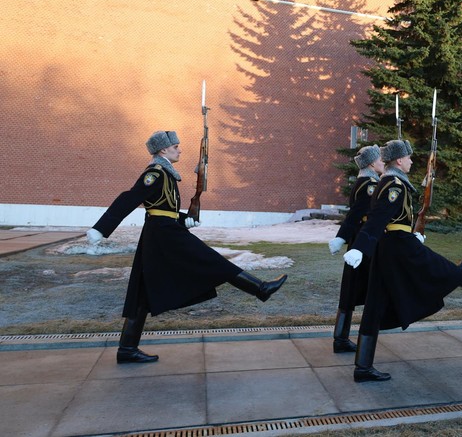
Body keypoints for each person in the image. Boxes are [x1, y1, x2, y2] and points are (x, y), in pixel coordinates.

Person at [86, 130, 288, 364]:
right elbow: (129, 198)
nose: (180, 150)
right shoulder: (155, 173)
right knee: (211, 260)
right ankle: (260, 288)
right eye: (175, 147)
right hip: (164, 235)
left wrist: (184, 219)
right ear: (163, 150)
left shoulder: (167, 174)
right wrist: (101, 228)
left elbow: (163, 209)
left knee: (141, 293)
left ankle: (127, 348)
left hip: (162, 231)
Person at [343, 139, 462, 382]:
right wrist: (360, 247)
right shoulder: (394, 185)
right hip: (399, 247)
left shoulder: (391, 182)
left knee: (375, 307)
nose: (411, 161)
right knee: (441, 269)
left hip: (389, 247)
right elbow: (377, 219)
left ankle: (363, 367)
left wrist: (413, 234)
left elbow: (392, 219)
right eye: (408, 158)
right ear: (399, 160)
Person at [327, 145, 385, 353]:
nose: (383, 162)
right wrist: (341, 237)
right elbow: (356, 215)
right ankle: (347, 341)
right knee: (363, 288)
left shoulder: (368, 182)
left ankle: (341, 338)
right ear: (371, 163)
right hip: (364, 244)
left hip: (361, 241)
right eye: (380, 159)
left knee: (352, 288)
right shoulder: (369, 184)